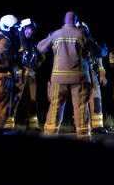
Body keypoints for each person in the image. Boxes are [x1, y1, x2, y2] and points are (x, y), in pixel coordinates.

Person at [36, 11, 92, 140]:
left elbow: (40, 48)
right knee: (81, 106)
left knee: (55, 105)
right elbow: (97, 51)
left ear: (64, 20)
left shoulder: (56, 34)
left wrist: (50, 38)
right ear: (76, 21)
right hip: (79, 77)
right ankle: (84, 136)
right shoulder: (81, 34)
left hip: (58, 77)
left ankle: (50, 134)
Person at [0, 14, 20, 132]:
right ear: (8, 27)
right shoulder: (5, 40)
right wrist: (9, 65)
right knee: (1, 106)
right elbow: (1, 53)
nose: (17, 30)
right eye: (15, 28)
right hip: (2, 76)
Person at [11, 18, 44, 131]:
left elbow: (40, 57)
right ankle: (9, 124)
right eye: (28, 29)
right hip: (19, 75)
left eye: (31, 30)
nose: (30, 32)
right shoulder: (15, 42)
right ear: (23, 29)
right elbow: (10, 58)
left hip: (31, 75)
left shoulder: (33, 44)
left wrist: (38, 63)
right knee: (15, 99)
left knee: (32, 99)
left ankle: (32, 125)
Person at [77, 20, 108, 133]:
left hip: (93, 75)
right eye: (78, 30)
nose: (80, 32)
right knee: (81, 100)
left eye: (82, 30)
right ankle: (82, 125)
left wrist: (102, 75)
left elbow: (99, 61)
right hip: (81, 75)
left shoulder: (92, 43)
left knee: (96, 99)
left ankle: (98, 125)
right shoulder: (74, 44)